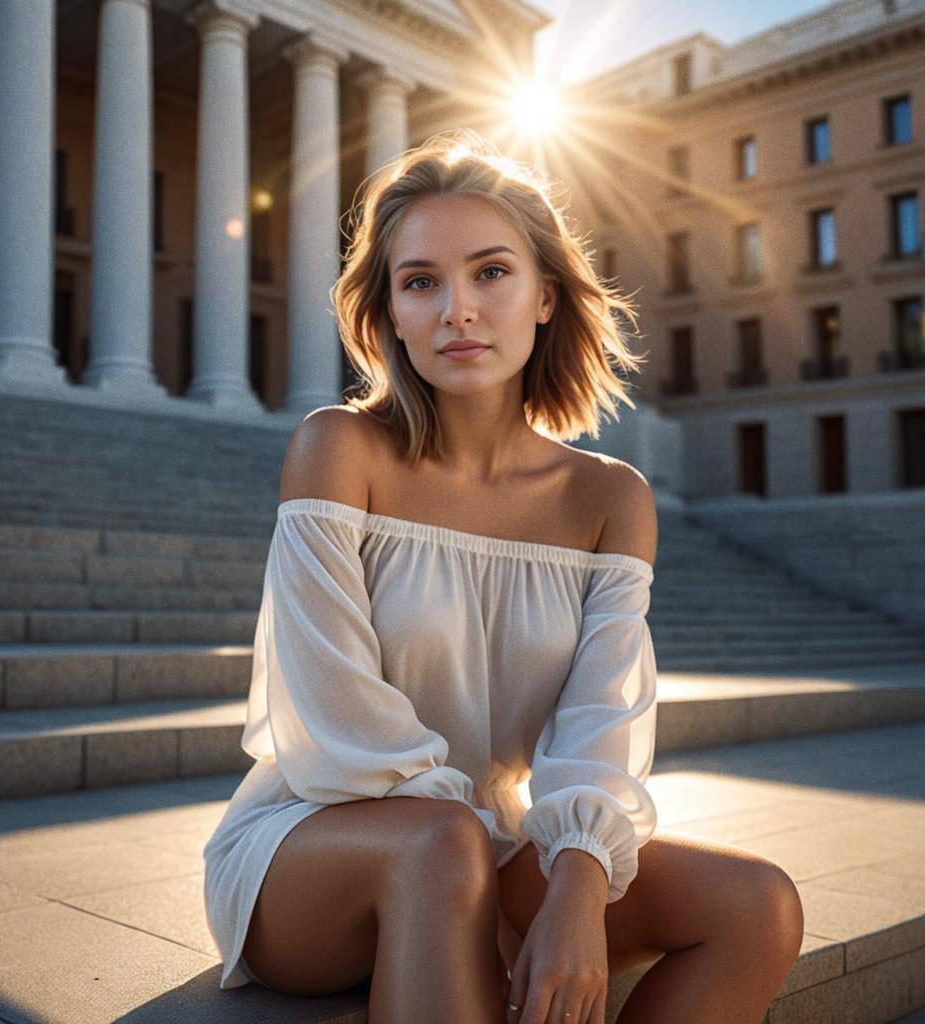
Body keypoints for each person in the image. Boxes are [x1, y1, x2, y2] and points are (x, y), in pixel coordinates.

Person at [203, 129, 804, 1024]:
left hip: (484, 843)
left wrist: (575, 875)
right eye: (421, 282)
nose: (459, 310)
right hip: (312, 848)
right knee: (441, 844)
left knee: (757, 904)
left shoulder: (611, 498)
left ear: (546, 294)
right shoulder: (341, 449)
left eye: (490, 272)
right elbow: (330, 716)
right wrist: (492, 856)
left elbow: (605, 720)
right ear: (389, 314)